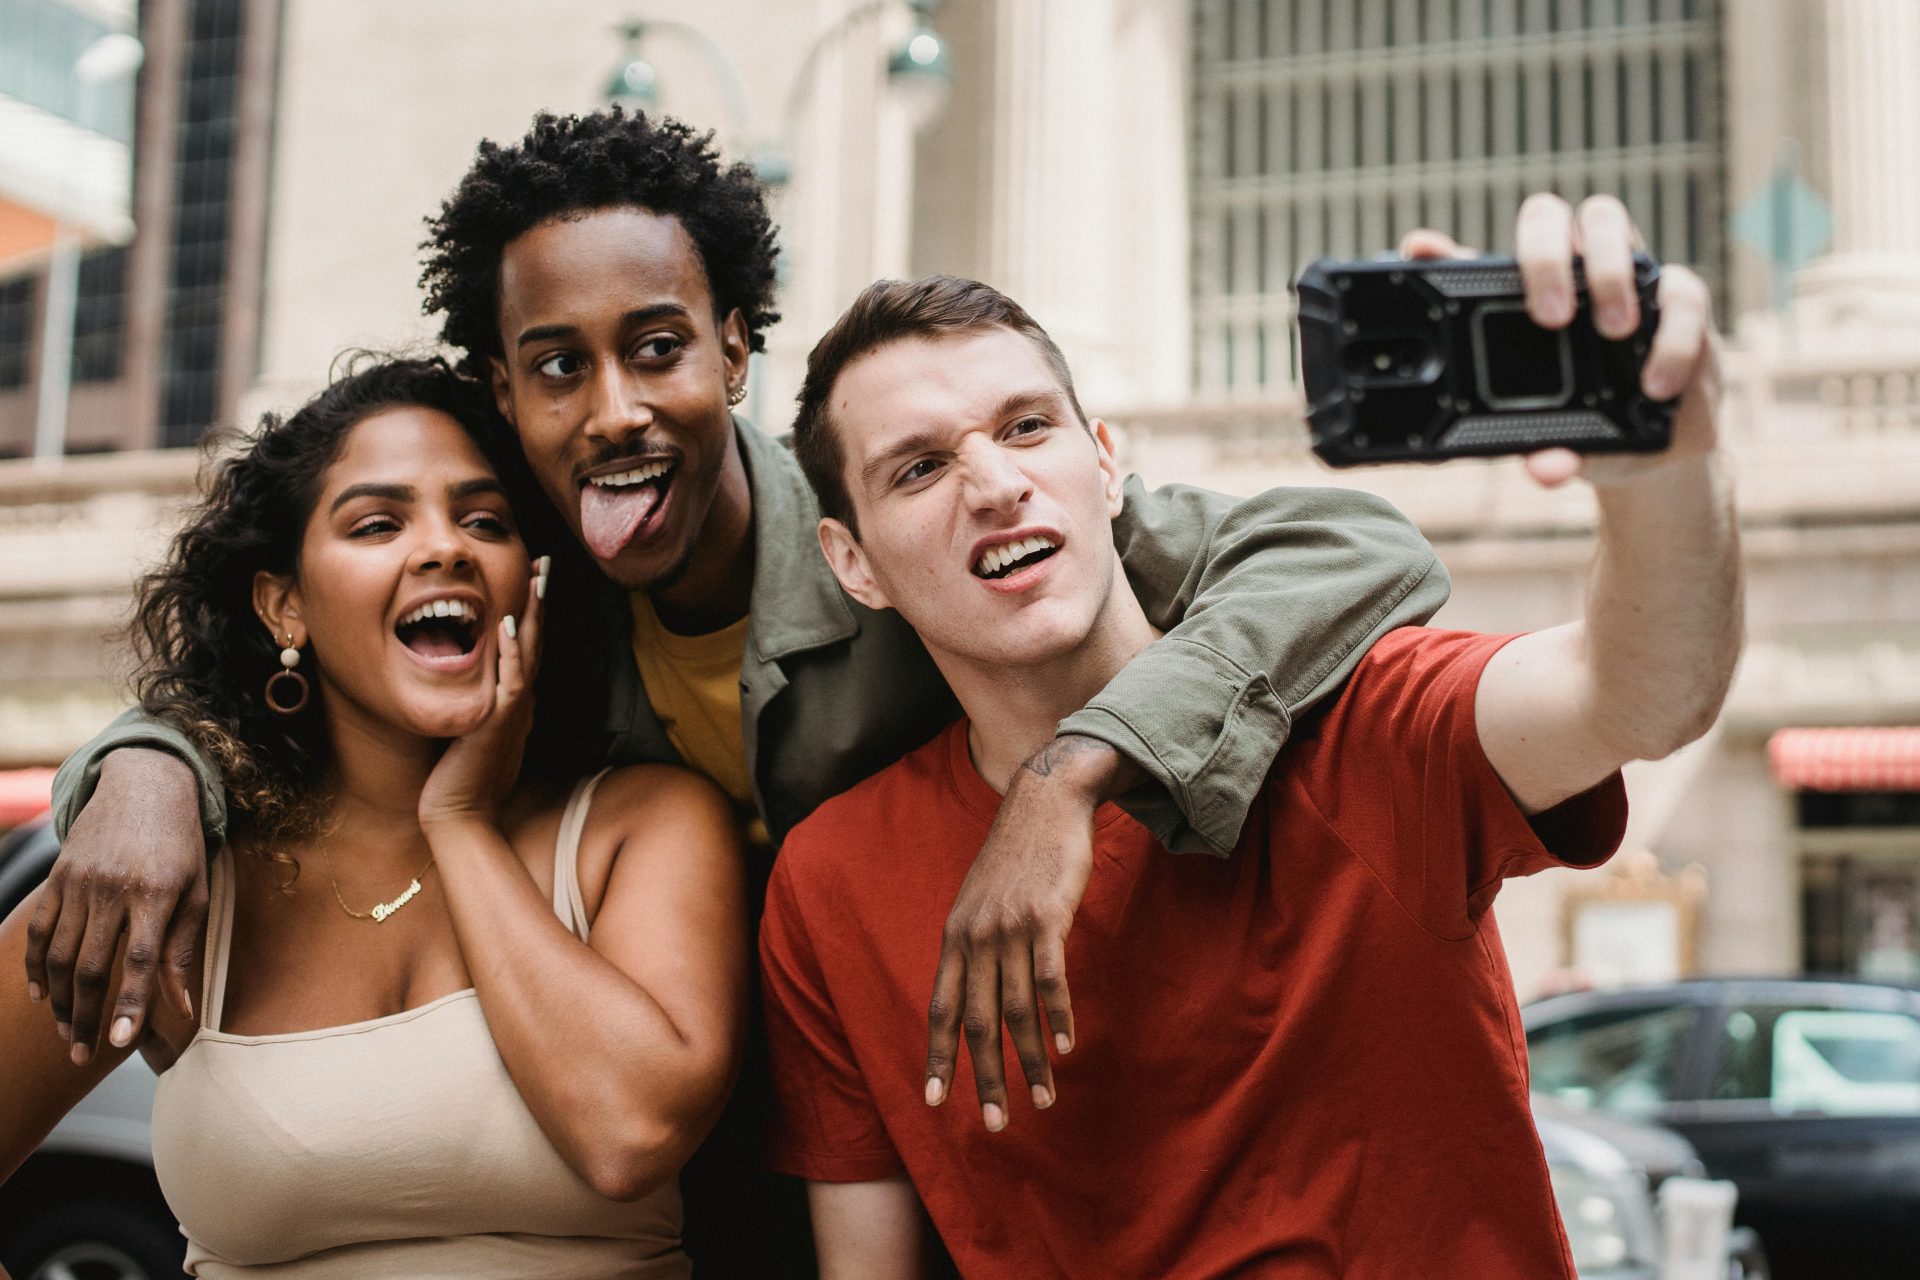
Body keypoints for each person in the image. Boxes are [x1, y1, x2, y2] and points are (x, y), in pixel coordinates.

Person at [30, 110, 1446, 1275]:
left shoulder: (904, 529)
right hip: (727, 1206)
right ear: (510, 399)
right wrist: (149, 768)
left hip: (993, 1141)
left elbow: (1348, 546)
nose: (614, 412)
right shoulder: (526, 598)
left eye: (656, 350)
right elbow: (312, 663)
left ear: (734, 352)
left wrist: (1076, 767)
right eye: (555, 371)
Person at [760, 196, 1741, 1279]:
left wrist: (1663, 465)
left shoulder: (1356, 717)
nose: (994, 484)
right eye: (920, 468)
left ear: (1104, 459)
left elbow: (1642, 693)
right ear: (852, 563)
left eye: (1026, 426)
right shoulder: (830, 882)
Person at [2, 357, 746, 1275]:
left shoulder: (644, 826)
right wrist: (143, 769)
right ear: (285, 606)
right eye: (377, 524)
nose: (446, 548)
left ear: (535, 583)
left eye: (485, 520)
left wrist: (462, 822)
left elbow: (630, 1134)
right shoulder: (190, 875)